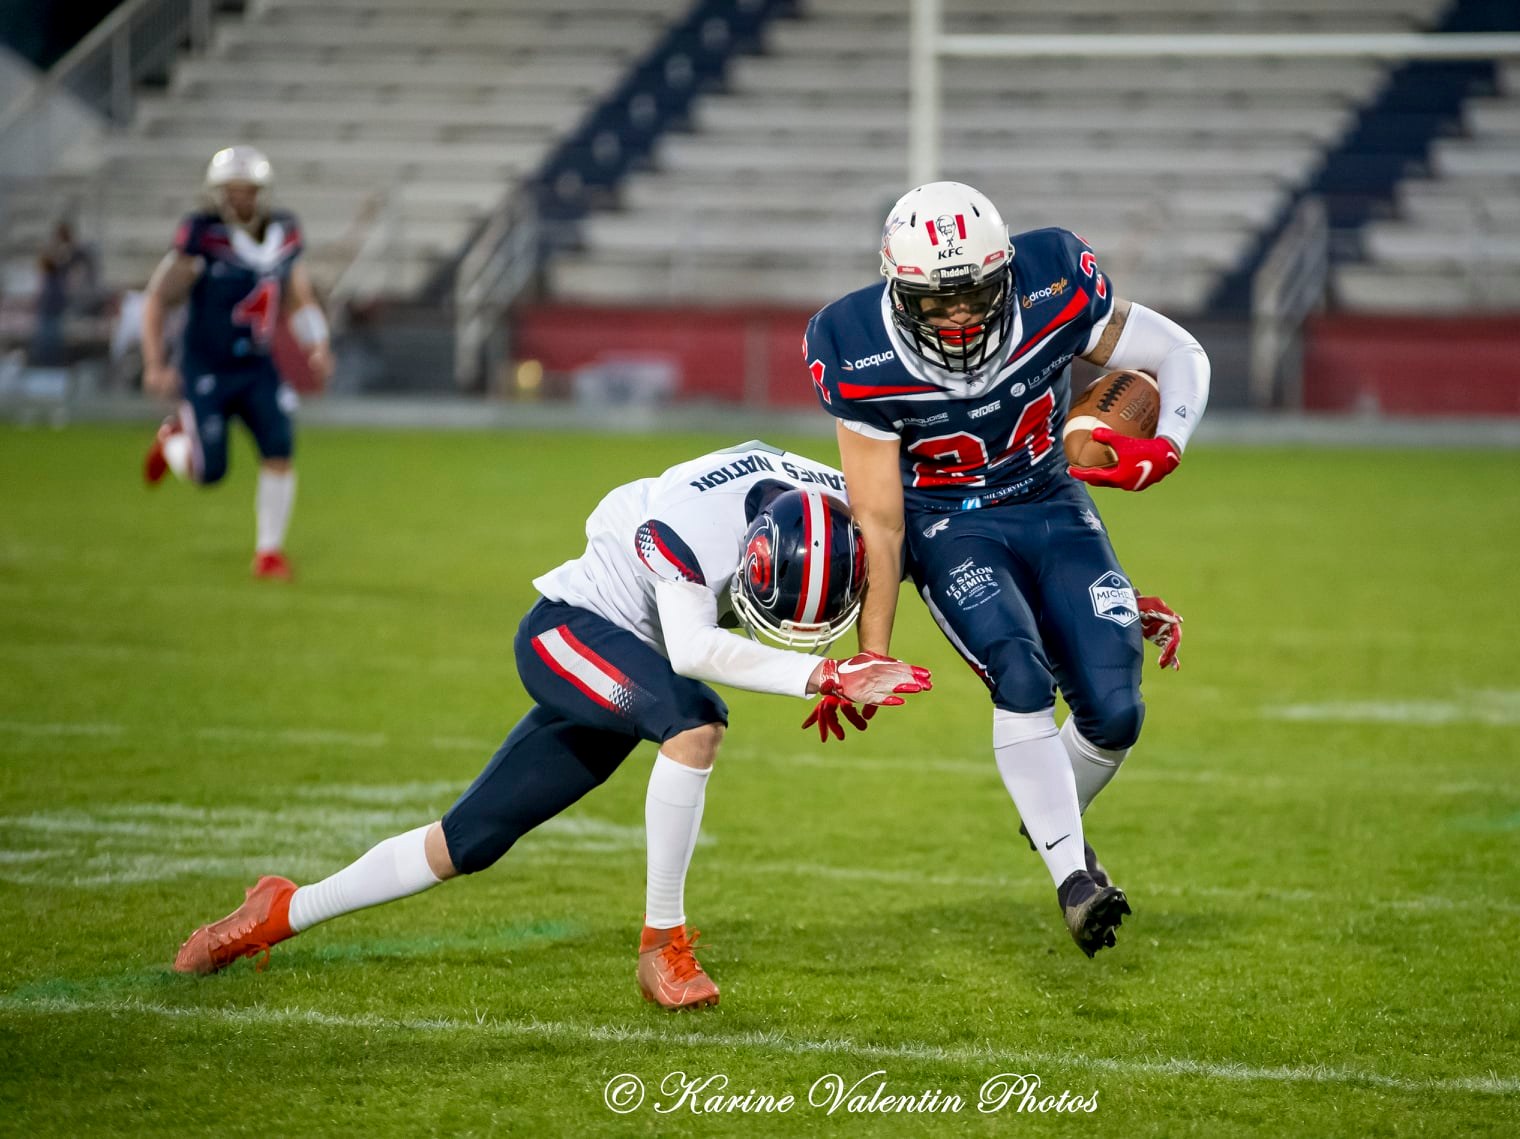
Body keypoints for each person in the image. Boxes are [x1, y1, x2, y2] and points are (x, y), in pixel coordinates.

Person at [171, 441, 933, 1010]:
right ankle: (660, 944)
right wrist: (824, 673)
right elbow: (696, 649)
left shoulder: (843, 502)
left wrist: (867, 652)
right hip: (568, 632)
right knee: (696, 720)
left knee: (466, 841)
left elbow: (914, 522)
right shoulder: (681, 529)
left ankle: (279, 910)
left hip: (630, 658)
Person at [803, 181, 1207, 957]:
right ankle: (1073, 876)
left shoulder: (1054, 277)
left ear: (1007, 276)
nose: (956, 318)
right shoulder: (854, 343)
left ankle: (1048, 814)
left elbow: (1176, 352)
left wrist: (1169, 446)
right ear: (898, 289)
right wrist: (874, 647)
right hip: (948, 525)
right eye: (935, 302)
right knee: (1018, 671)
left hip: (1049, 499)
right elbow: (881, 521)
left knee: (1116, 711)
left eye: (973, 296)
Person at [140, 146, 333, 581]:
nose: (240, 198)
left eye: (248, 190)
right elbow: (157, 297)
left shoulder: (283, 232)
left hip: (257, 367)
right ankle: (172, 438)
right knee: (210, 472)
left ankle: (268, 552)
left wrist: (317, 344)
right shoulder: (202, 237)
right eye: (231, 190)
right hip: (207, 365)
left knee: (280, 447)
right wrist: (154, 362)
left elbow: (296, 295)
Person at [31, 220, 94, 367]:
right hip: (48, 303)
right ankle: (44, 363)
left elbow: (83, 260)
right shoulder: (52, 253)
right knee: (46, 336)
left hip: (58, 303)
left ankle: (53, 363)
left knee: (55, 336)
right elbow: (46, 267)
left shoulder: (71, 253)